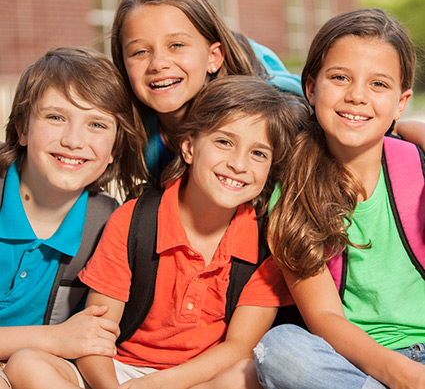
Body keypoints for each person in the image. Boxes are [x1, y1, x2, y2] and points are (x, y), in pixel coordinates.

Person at [5, 75, 297, 389]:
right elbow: (94, 336)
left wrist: (158, 385)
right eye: (224, 142)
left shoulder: (266, 245)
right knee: (25, 362)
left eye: (259, 154)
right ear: (189, 147)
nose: (239, 164)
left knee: (249, 374)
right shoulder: (134, 220)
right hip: (117, 372)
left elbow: (238, 348)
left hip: (196, 380)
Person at [252, 8, 425, 388]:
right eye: (340, 77)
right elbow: (324, 318)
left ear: (401, 101)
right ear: (311, 88)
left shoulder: (419, 166)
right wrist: (405, 375)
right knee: (279, 349)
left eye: (379, 84)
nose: (357, 96)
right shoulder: (295, 190)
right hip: (354, 363)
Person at [0, 47, 148, 388]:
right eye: (55, 117)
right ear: (22, 128)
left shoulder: (109, 223)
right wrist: (55, 338)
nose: (73, 140)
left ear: (115, 150)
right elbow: (68, 338)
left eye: (96, 124)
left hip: (38, 371)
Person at [110, 0, 303, 181]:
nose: (157, 64)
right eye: (139, 51)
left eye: (176, 45)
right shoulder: (129, 137)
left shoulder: (272, 125)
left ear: (213, 57)